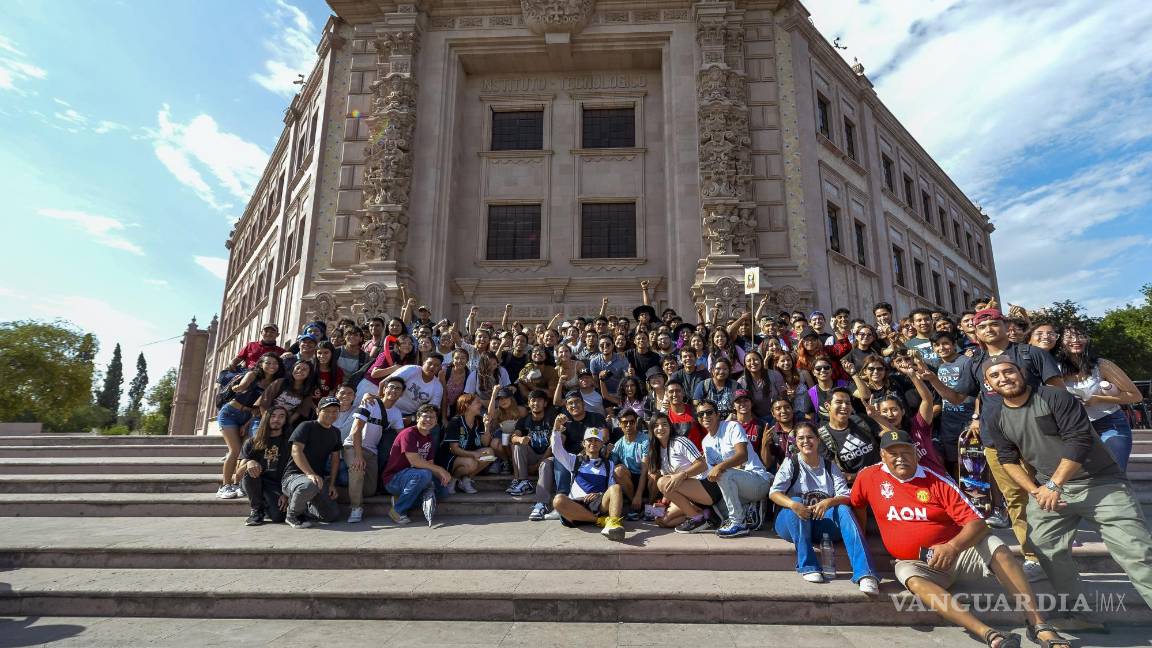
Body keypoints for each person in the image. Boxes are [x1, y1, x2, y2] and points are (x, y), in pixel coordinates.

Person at [850, 428, 1071, 648]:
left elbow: (977, 523)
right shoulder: (868, 477)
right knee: (909, 576)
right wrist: (863, 539)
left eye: (906, 452)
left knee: (996, 546)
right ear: (882, 456)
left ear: (916, 452)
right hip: (917, 563)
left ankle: (1038, 625)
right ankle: (990, 635)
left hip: (959, 554)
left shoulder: (937, 481)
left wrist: (952, 547)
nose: (900, 458)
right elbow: (857, 504)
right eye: (893, 453)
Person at [981, 357, 1152, 611]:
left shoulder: (1055, 397)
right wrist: (1035, 491)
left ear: (1022, 373)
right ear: (988, 384)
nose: (1003, 378)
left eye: (1008, 371)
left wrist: (1054, 485)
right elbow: (1008, 459)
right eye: (995, 376)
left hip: (1100, 483)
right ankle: (1079, 612)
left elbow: (1079, 440)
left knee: (1137, 553)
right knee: (1044, 547)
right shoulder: (996, 415)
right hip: (1048, 490)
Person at [923, 308, 1064, 581]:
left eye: (993, 323)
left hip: (1037, 437)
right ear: (975, 332)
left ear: (1005, 325)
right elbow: (957, 397)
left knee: (1049, 494)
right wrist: (931, 379)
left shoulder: (1031, 354)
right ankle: (1032, 556)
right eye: (982, 325)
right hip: (997, 441)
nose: (988, 329)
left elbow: (1058, 391)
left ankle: (1057, 553)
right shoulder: (975, 361)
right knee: (1016, 500)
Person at [769, 422, 879, 593]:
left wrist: (829, 502)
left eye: (810, 437)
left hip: (821, 524)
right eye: (801, 438)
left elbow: (846, 496)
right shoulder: (791, 463)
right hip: (792, 523)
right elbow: (774, 493)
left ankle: (865, 573)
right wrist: (793, 504)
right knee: (796, 500)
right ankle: (808, 566)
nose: (806, 441)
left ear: (818, 440)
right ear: (796, 442)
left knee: (843, 510)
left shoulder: (830, 466)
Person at [1056, 325, 1143, 472]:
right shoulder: (1055, 368)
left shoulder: (1102, 365)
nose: (1076, 340)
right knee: (1082, 475)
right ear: (1060, 342)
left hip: (1110, 423)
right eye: (1069, 337)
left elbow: (1135, 396)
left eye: (1080, 336)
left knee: (1114, 470)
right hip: (1074, 428)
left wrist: (1099, 399)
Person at [698, 398, 774, 537]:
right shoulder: (705, 441)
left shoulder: (732, 426)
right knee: (716, 509)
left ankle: (738, 523)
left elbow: (742, 455)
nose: (704, 416)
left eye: (709, 412)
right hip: (737, 487)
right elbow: (712, 472)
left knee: (723, 473)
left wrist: (720, 466)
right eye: (700, 414)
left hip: (757, 479)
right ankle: (751, 508)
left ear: (717, 414)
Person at [529, 390, 608, 521]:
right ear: (566, 406)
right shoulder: (565, 421)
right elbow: (558, 444)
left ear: (583, 403)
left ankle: (563, 500)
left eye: (577, 402)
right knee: (547, 463)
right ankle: (541, 503)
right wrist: (557, 428)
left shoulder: (596, 417)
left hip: (590, 456)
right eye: (570, 403)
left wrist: (584, 452)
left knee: (563, 460)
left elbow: (604, 436)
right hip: (570, 458)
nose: (574, 405)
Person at [549, 417, 627, 541]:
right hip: (576, 506)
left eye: (597, 440)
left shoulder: (609, 464)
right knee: (558, 500)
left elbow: (611, 487)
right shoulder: (574, 460)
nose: (593, 443)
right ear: (584, 443)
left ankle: (613, 524)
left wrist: (599, 494)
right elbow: (556, 449)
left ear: (602, 444)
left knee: (616, 488)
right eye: (589, 440)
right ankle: (599, 521)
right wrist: (556, 428)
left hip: (598, 504)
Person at [216, 353, 282, 499]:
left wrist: (247, 424)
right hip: (230, 413)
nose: (272, 366)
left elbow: (258, 408)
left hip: (249, 417)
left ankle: (237, 484)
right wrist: (239, 387)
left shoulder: (275, 383)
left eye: (275, 363)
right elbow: (243, 385)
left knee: (245, 452)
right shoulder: (253, 375)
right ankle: (225, 485)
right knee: (235, 450)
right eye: (268, 363)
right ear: (261, 364)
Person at [343, 378, 405, 523]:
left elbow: (402, 436)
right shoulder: (369, 402)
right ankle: (356, 507)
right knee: (357, 469)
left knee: (370, 491)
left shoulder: (396, 412)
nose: (394, 390)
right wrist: (358, 456)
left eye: (398, 389)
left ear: (402, 394)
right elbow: (356, 430)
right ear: (384, 389)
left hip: (372, 451)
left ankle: (330, 489)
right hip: (353, 446)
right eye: (391, 387)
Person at [380, 403, 452, 526]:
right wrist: (441, 469)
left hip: (414, 477)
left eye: (432, 417)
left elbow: (430, 463)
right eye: (425, 416)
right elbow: (415, 461)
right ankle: (397, 511)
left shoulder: (429, 438)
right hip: (394, 479)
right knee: (424, 474)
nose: (428, 420)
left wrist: (443, 476)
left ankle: (400, 499)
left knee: (443, 490)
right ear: (418, 418)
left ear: (436, 421)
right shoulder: (408, 433)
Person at [280, 396, 344, 529]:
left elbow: (335, 459)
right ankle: (292, 515)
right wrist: (309, 473)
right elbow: (296, 451)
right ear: (317, 411)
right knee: (309, 485)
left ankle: (303, 506)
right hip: (294, 477)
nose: (331, 414)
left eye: (335, 411)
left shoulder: (336, 432)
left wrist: (332, 484)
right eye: (327, 411)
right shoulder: (306, 426)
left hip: (317, 480)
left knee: (332, 515)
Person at [237, 406, 293, 526]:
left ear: (285, 420)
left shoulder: (290, 443)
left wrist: (287, 493)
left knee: (279, 517)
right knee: (249, 470)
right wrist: (249, 463)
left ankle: (265, 502)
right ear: (266, 418)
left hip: (277, 485)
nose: (276, 419)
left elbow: (294, 469)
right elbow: (238, 474)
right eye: (273, 416)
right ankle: (256, 510)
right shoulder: (252, 442)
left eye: (281, 416)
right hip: (255, 481)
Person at [933, 331, 976, 478]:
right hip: (948, 422)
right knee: (953, 462)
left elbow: (979, 392)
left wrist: (976, 418)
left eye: (945, 343)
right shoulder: (939, 366)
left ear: (954, 344)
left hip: (968, 421)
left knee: (974, 464)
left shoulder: (967, 362)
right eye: (937, 345)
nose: (941, 348)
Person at [815, 388, 880, 483]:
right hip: (856, 486)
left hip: (882, 478)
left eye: (848, 403)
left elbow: (893, 437)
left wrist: (877, 417)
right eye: (839, 402)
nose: (844, 406)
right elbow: (838, 475)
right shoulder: (822, 436)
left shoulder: (861, 419)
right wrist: (866, 476)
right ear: (827, 406)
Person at [437, 393, 496, 495]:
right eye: (477, 402)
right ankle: (452, 479)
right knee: (471, 463)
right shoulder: (455, 422)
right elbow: (454, 449)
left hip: (470, 456)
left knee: (490, 455)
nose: (481, 405)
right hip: (451, 457)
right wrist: (473, 454)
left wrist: (486, 426)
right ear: (467, 405)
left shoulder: (479, 420)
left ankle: (465, 480)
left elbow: (485, 443)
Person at [510, 389, 555, 498]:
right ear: (528, 403)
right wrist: (520, 439)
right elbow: (513, 437)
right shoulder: (523, 420)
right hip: (532, 456)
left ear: (545, 403)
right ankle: (524, 482)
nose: (536, 403)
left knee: (553, 447)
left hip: (548, 457)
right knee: (517, 445)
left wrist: (537, 465)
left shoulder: (552, 420)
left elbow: (553, 446)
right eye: (533, 400)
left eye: (539, 400)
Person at [608, 409, 650, 520]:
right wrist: (607, 453)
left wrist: (639, 494)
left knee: (653, 474)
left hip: (646, 478)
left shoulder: (645, 440)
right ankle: (636, 505)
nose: (628, 425)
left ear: (636, 423)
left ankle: (648, 504)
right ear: (619, 424)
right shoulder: (618, 444)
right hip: (630, 480)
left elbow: (644, 470)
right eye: (624, 422)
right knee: (618, 470)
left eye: (631, 422)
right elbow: (610, 467)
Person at [390, 355, 446, 422]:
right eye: (430, 363)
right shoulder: (411, 369)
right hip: (390, 406)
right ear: (424, 362)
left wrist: (412, 418)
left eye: (436, 365)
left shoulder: (438, 387)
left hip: (410, 415)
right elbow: (387, 383)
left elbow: (432, 410)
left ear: (440, 368)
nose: (432, 367)